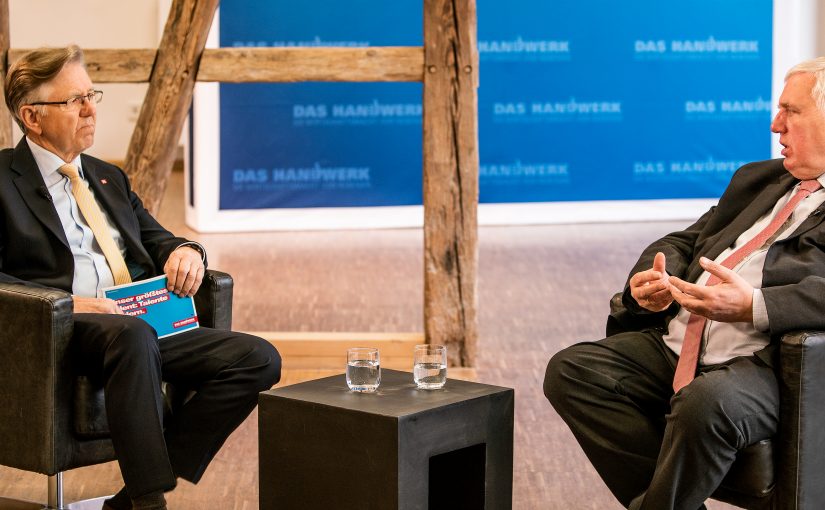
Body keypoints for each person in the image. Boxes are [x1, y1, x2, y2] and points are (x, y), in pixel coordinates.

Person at [0, 46, 281, 510]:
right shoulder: (3, 181)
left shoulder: (108, 177)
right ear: (31, 116)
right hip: (59, 330)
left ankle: (129, 499)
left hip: (137, 324)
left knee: (257, 359)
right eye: (75, 101)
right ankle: (150, 503)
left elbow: (157, 239)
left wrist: (186, 252)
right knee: (131, 335)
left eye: (92, 95)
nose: (91, 110)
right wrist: (71, 305)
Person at [544, 56, 825, 510]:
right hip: (680, 340)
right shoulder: (759, 179)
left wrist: (753, 304)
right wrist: (656, 276)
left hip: (762, 361)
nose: (777, 125)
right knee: (573, 371)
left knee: (706, 404)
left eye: (791, 112)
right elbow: (688, 238)